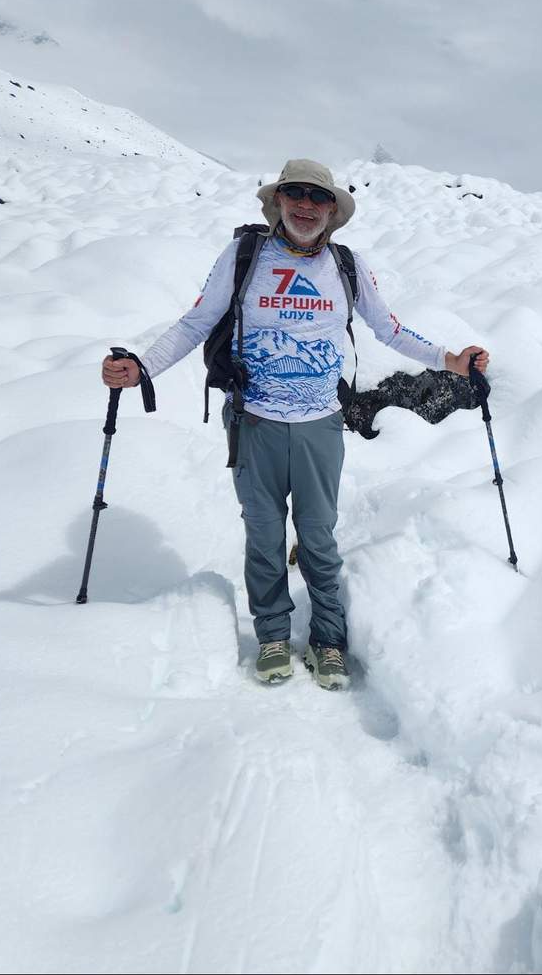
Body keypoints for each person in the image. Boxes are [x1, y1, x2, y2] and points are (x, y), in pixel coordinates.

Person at [101, 158, 489, 690]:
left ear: (333, 210)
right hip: (254, 421)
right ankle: (273, 635)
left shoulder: (347, 267)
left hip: (319, 425)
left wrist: (451, 359)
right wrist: (141, 367)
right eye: (296, 194)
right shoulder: (244, 257)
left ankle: (328, 640)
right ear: (278, 201)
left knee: (317, 536)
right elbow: (197, 322)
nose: (306, 205)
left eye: (318, 197)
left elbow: (390, 329)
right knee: (263, 536)